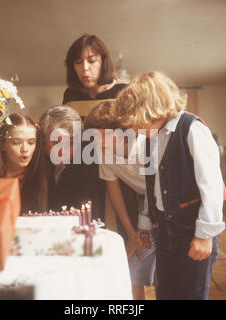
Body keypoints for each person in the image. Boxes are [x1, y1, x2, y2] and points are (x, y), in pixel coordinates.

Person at [115, 71, 225, 300]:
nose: (133, 129)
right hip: (163, 231)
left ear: (150, 110)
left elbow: (212, 187)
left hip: (192, 230)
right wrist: (145, 226)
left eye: (135, 122)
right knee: (165, 292)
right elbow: (151, 189)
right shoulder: (149, 139)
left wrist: (205, 235)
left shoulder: (192, 130)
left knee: (190, 294)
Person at [84, 100, 158, 300]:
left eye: (103, 136)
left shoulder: (146, 144)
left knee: (164, 272)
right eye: (94, 136)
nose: (97, 142)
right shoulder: (103, 153)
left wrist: (142, 230)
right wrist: (133, 233)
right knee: (132, 267)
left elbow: (157, 192)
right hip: (143, 203)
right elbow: (114, 193)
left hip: (163, 203)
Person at [63, 33, 135, 230]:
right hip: (82, 170)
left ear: (104, 60)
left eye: (91, 61)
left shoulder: (123, 91)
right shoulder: (71, 95)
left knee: (120, 226)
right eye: (78, 63)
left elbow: (133, 137)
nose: (85, 68)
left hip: (117, 170)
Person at [0, 113, 48, 213]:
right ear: (3, 145)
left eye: (31, 142)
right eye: (16, 142)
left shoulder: (35, 171)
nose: (25, 149)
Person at [39, 105, 97, 211]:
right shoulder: (32, 158)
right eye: (56, 143)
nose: (62, 151)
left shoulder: (88, 165)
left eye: (70, 144)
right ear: (43, 139)